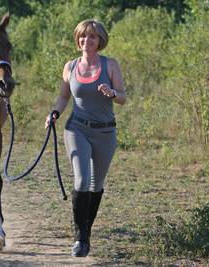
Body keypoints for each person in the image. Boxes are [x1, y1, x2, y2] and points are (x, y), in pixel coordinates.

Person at [45, 19, 126, 257]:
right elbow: (63, 98)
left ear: (100, 40)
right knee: (81, 180)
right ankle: (81, 238)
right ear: (77, 39)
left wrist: (112, 93)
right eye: (82, 36)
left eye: (92, 36)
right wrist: (54, 113)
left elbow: (122, 98)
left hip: (105, 132)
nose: (86, 41)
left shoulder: (110, 65)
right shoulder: (70, 67)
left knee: (96, 185)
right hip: (76, 128)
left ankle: (85, 229)